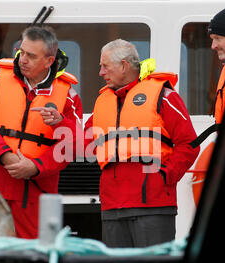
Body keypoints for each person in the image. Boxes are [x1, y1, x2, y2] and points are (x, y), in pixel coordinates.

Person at [0, 26, 82, 239]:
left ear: (49, 61)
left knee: (33, 258)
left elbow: (72, 144)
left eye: (31, 55)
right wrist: (5, 155)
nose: (23, 59)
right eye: (21, 52)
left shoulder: (68, 95)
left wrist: (36, 167)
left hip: (36, 189)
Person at [84, 39, 199, 248]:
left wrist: (165, 175)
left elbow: (188, 143)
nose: (101, 72)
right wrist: (58, 122)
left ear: (124, 66)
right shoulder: (102, 102)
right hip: (112, 206)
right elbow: (84, 144)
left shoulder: (163, 96)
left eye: (105, 66)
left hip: (153, 206)